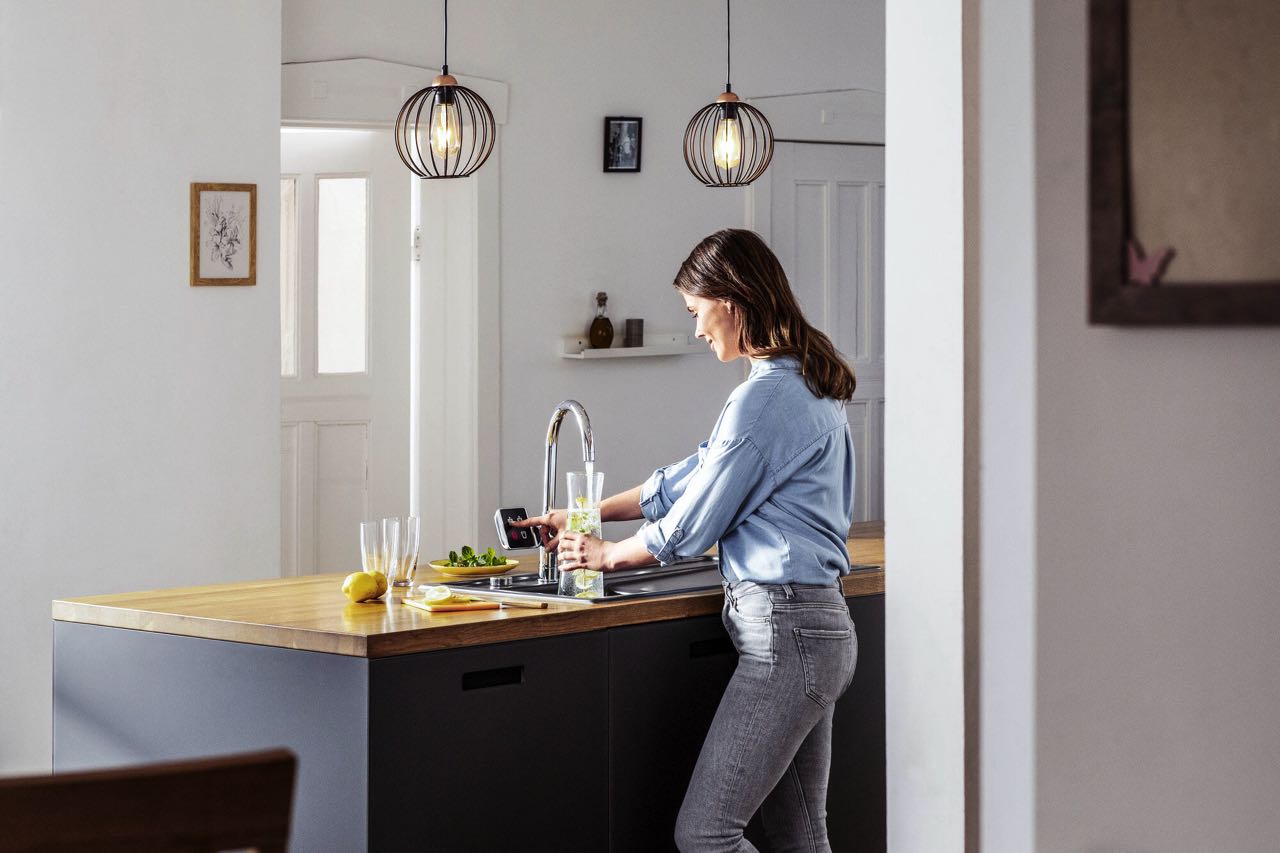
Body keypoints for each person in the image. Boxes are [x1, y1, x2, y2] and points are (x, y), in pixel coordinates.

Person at [517, 228, 859, 852]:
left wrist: (607, 554)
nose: (698, 330)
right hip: (817, 627)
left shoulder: (764, 397)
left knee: (706, 835)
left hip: (785, 635)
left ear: (731, 301)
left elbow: (696, 521)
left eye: (697, 313)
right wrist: (587, 511)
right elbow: (697, 472)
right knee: (800, 840)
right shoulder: (807, 382)